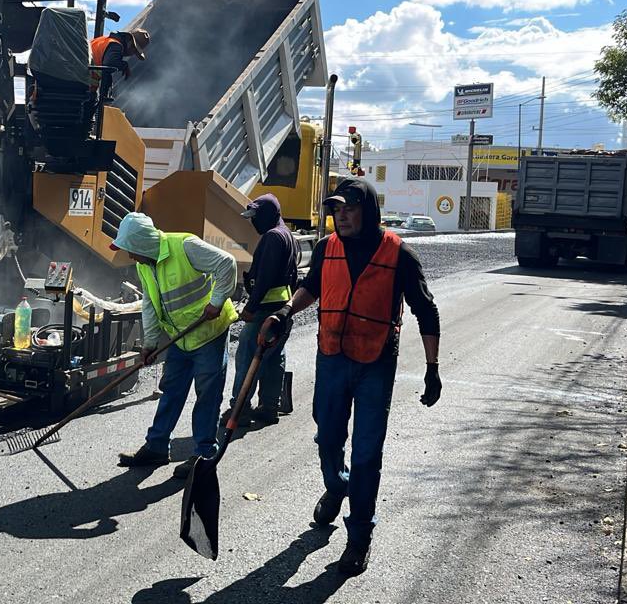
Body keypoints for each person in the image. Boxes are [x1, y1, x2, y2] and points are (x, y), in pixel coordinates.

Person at [261, 179, 441, 576]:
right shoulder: (327, 247)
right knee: (326, 436)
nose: (340, 214)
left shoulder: (400, 255)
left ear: (370, 210)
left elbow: (426, 312)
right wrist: (286, 312)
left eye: (349, 207)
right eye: (335, 208)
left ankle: (359, 538)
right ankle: (336, 484)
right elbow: (311, 288)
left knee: (366, 455)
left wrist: (432, 369)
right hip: (332, 357)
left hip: (375, 363)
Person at [112, 212, 237, 479]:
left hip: (208, 333)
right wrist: (149, 342)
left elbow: (226, 264)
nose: (130, 257)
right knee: (171, 389)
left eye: (131, 250)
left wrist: (216, 302)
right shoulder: (145, 265)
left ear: (143, 243)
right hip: (180, 337)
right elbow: (150, 303)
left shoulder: (185, 246)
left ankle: (204, 454)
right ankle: (157, 446)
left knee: (207, 394)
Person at [223, 193, 297, 428]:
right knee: (273, 358)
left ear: (266, 215)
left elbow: (264, 278)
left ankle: (240, 409)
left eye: (255, 217)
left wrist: (250, 307)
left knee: (247, 358)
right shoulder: (287, 236)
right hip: (280, 308)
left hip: (264, 311)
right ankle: (269, 406)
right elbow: (293, 277)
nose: (252, 222)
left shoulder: (273, 238)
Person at [90, 28, 150, 101]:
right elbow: (109, 64)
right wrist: (124, 65)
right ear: (130, 43)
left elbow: (105, 71)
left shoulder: (103, 40)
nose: (131, 54)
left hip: (81, 85)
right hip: (83, 88)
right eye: (134, 50)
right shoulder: (116, 45)